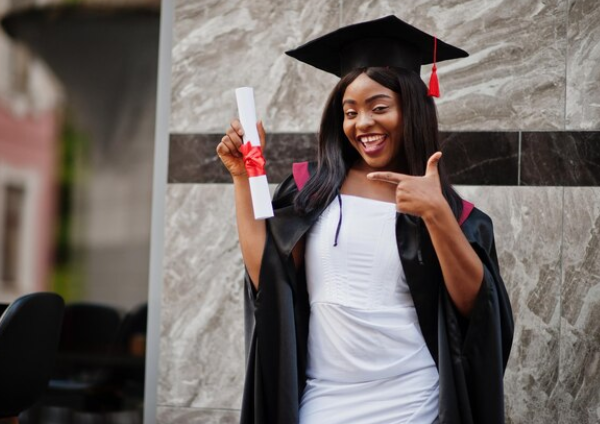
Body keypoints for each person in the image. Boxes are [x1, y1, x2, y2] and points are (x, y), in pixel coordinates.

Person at [216, 15, 514, 424]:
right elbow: (268, 276)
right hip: (324, 403)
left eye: (379, 108)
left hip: (413, 405)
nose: (363, 123)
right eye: (350, 111)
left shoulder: (453, 213)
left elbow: (476, 311)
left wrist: (437, 214)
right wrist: (243, 175)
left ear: (412, 109)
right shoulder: (311, 190)